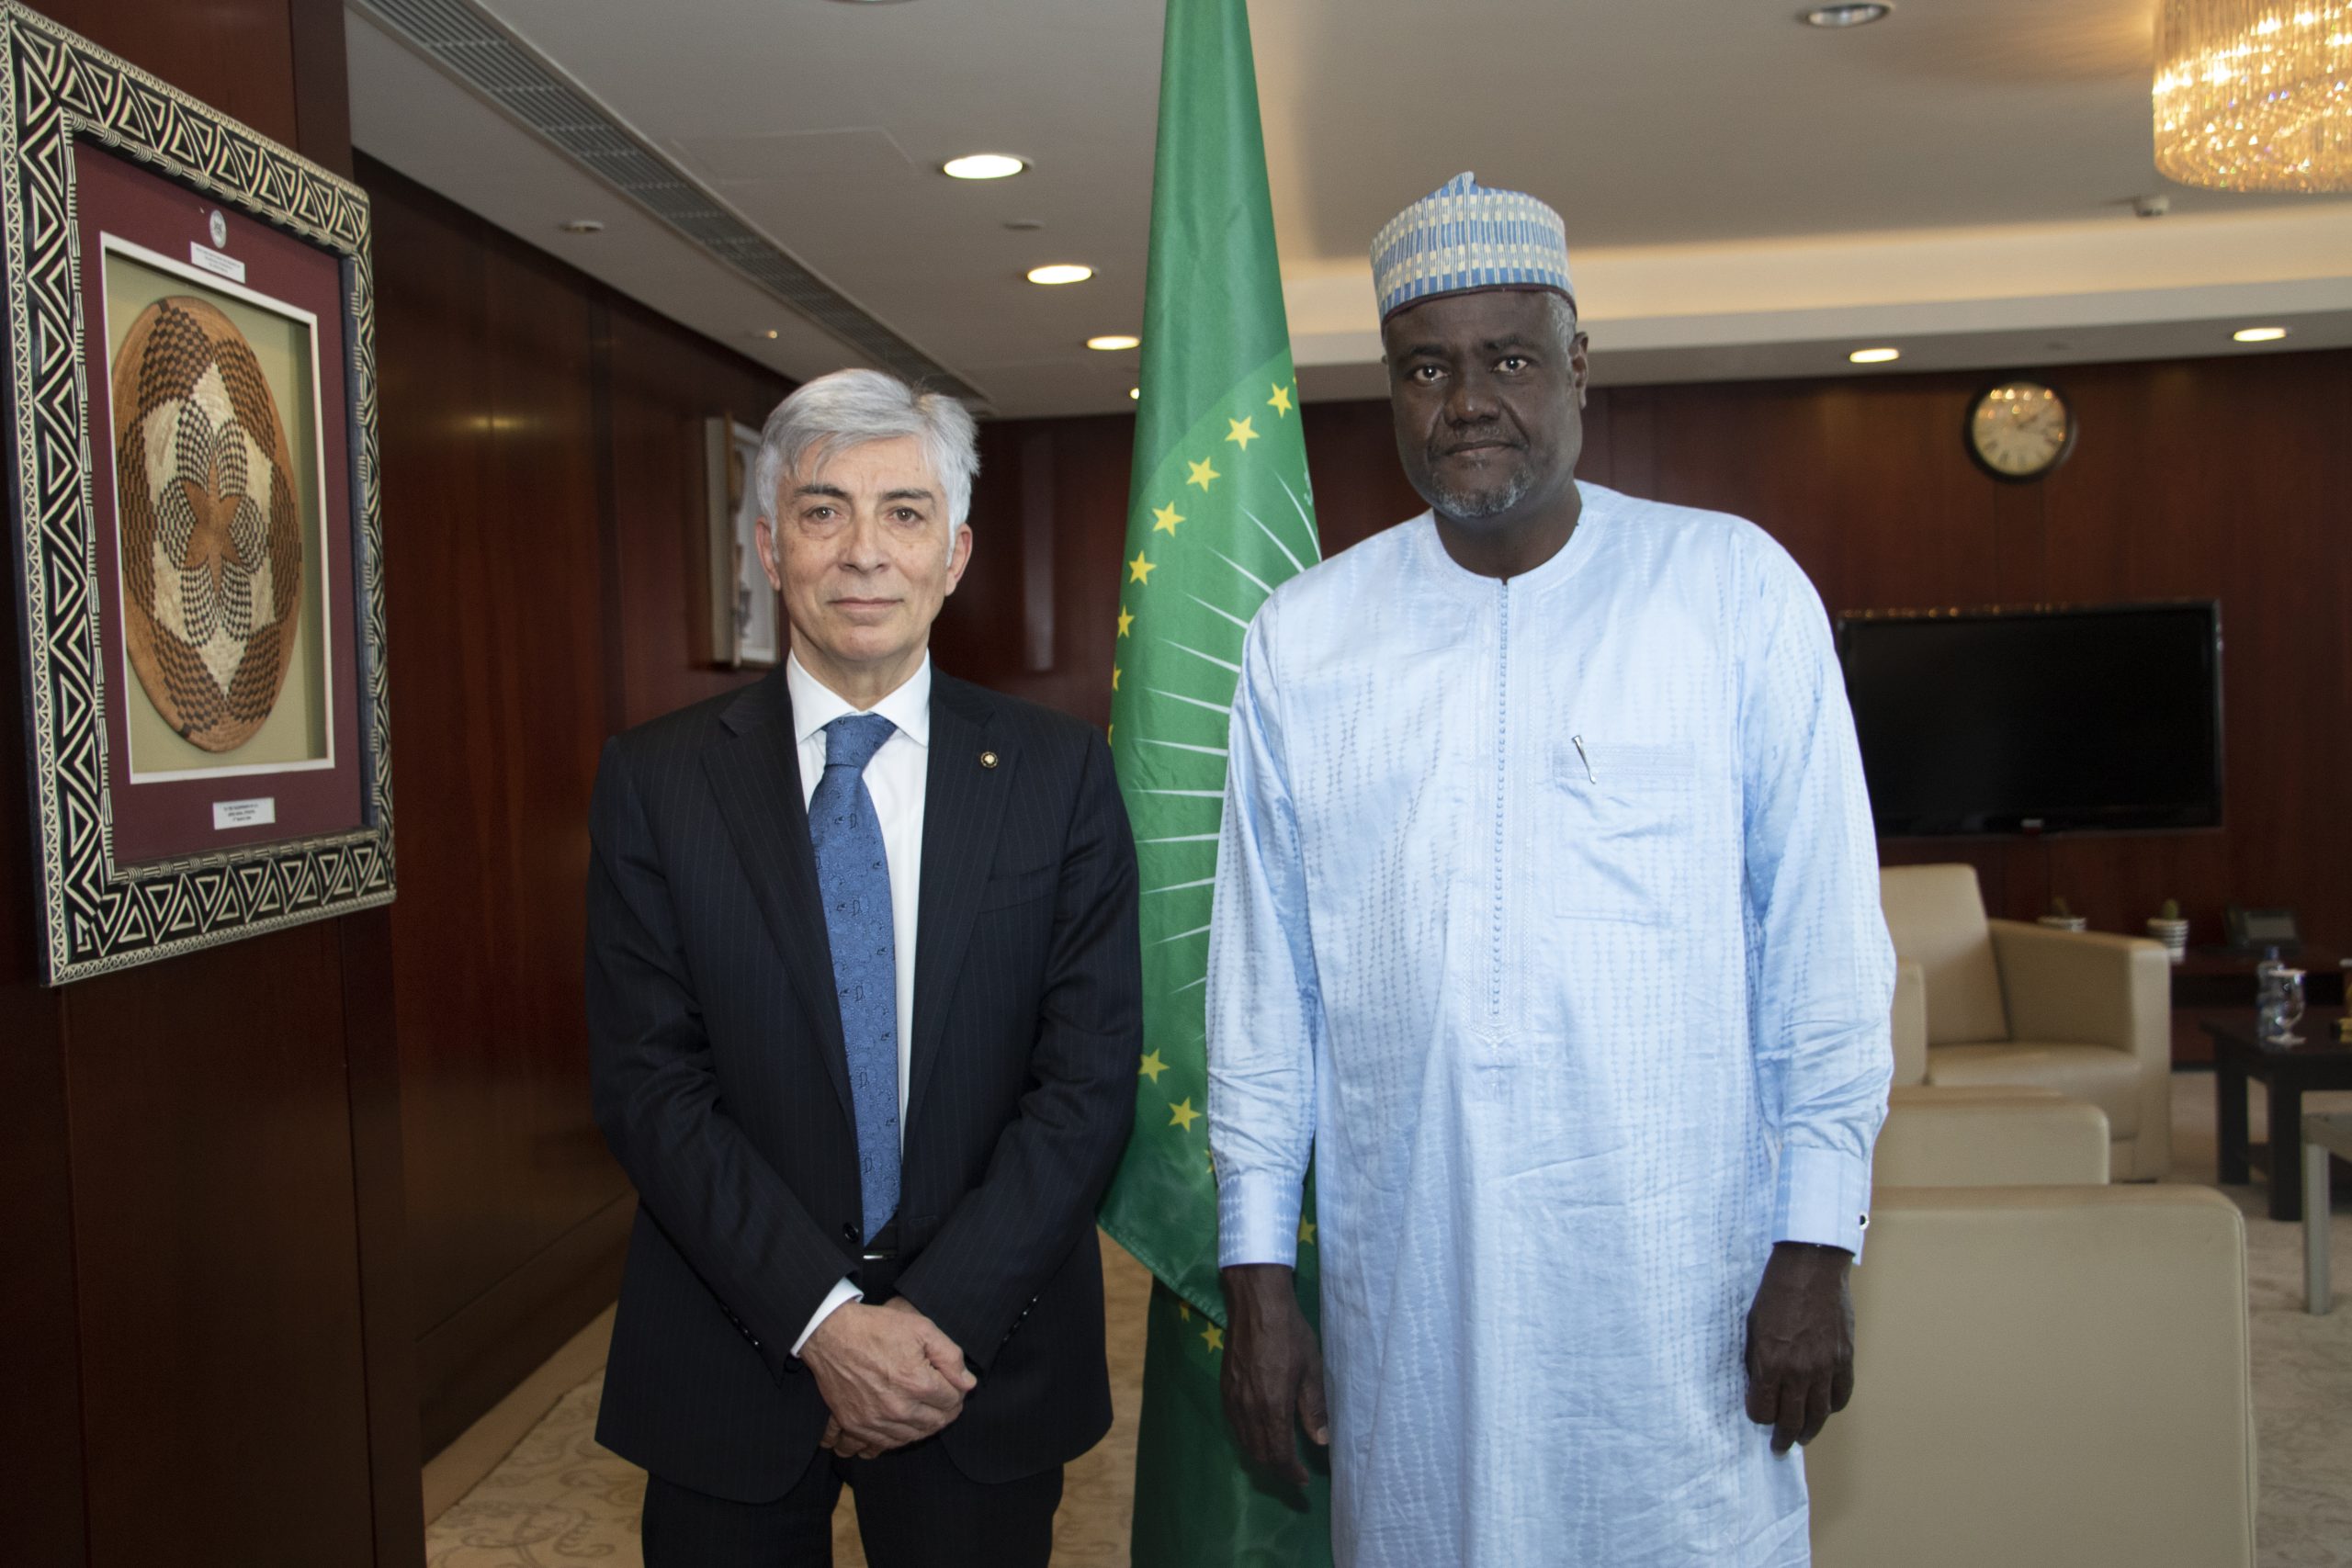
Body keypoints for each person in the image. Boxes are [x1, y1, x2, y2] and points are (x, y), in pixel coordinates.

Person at [1207, 174, 1894, 1567]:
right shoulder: (1305, 640)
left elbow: (1822, 946)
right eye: (1426, 368)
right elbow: (1266, 989)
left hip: (1676, 1274)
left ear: (1579, 366)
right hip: (1416, 1278)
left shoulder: (1731, 592)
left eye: (1509, 359)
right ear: (1391, 390)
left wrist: (1816, 1246)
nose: (1468, 400)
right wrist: (1260, 1279)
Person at [586, 368, 1141, 1567]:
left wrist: (932, 1322)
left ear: (956, 552)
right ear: (768, 545)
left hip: (978, 1361)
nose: (863, 553)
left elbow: (1087, 1084)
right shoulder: (656, 782)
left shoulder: (1061, 776)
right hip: (727, 1356)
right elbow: (649, 1085)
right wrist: (825, 1319)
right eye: (824, 510)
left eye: (905, 513)